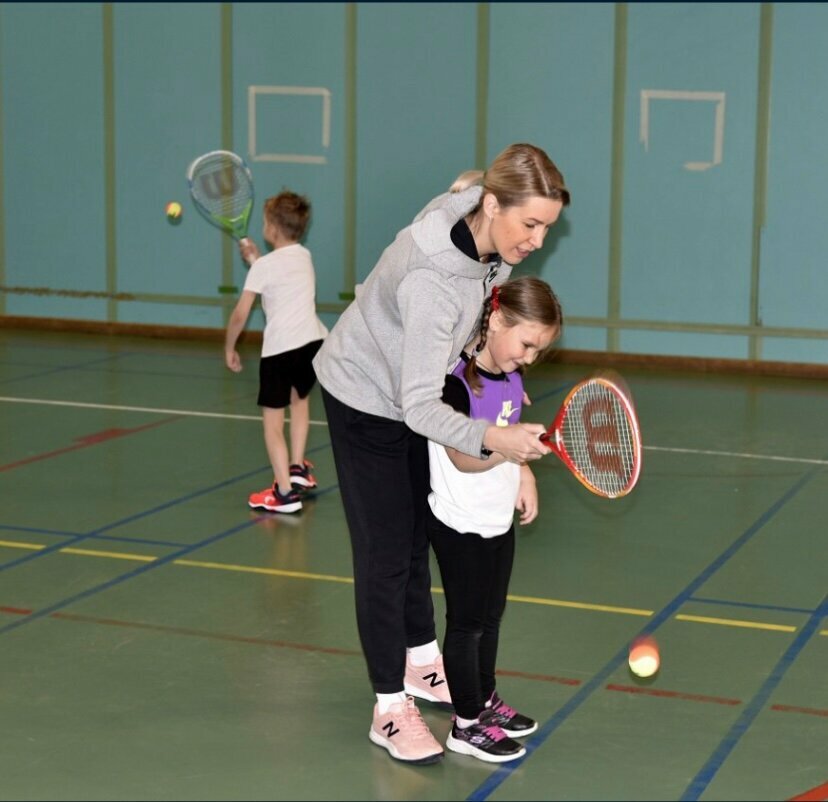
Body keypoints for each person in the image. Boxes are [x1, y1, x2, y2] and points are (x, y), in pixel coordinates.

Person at [313, 143, 570, 764]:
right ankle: (388, 707)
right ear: (492, 206)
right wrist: (497, 440)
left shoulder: (478, 222)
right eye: (529, 224)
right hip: (368, 395)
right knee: (385, 555)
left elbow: (469, 187)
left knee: (415, 537)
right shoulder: (434, 282)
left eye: (547, 227)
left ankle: (424, 664)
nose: (536, 240)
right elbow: (421, 410)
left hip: (415, 380)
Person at [427, 276, 562, 763]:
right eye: (527, 344)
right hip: (459, 520)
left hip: (495, 517)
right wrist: (512, 451)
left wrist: (522, 470)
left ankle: (483, 699)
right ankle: (465, 724)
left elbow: (508, 435)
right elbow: (464, 458)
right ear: (498, 319)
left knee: (490, 616)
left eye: (537, 352)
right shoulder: (454, 384)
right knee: (466, 624)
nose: (528, 358)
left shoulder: (510, 373)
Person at [224, 191, 327, 514]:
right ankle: (297, 468)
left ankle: (283, 493)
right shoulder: (303, 256)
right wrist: (256, 260)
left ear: (271, 229)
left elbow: (241, 313)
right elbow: (278, 279)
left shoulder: (265, 267)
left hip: (280, 351)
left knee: (272, 424)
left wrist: (230, 345)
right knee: (299, 402)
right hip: (312, 344)